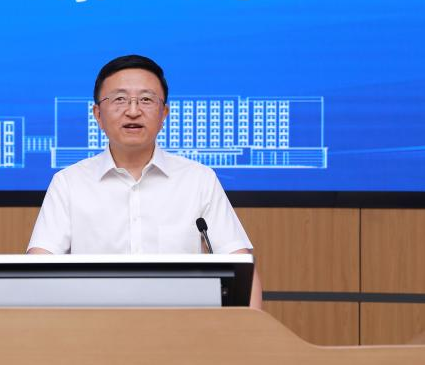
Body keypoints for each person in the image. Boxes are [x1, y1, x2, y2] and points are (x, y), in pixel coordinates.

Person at [27, 54, 262, 308]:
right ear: (97, 114)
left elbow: (241, 271)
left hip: (182, 327)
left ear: (164, 114)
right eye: (119, 99)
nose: (133, 111)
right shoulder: (69, 183)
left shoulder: (199, 180)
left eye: (146, 100)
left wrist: (247, 330)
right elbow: (39, 269)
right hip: (93, 327)